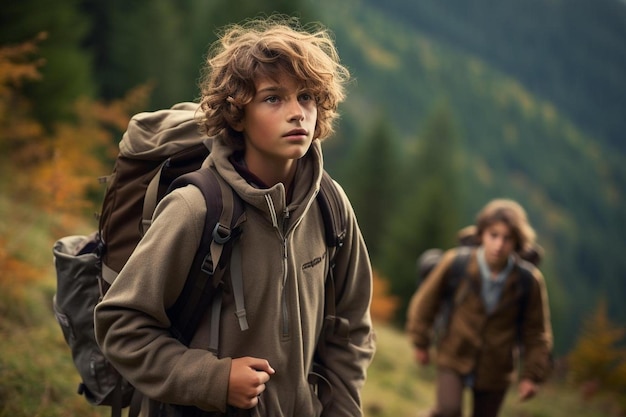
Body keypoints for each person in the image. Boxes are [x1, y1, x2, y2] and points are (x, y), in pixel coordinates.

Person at [94, 16, 375, 417]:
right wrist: (214, 379)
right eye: (274, 98)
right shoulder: (196, 207)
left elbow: (351, 330)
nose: (298, 113)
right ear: (238, 115)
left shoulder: (331, 205)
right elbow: (121, 325)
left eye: (308, 97)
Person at [406, 198, 553, 417]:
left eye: (507, 238)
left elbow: (537, 332)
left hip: (496, 369)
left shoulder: (528, 281)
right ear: (482, 234)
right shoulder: (456, 263)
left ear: (517, 242)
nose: (499, 244)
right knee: (448, 410)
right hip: (454, 354)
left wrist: (531, 375)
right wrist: (421, 342)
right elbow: (425, 302)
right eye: (494, 235)